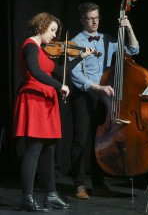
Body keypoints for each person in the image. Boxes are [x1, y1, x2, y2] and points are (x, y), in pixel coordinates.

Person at [14, 12, 95, 212]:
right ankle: (27, 198)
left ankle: (50, 195)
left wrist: (80, 57)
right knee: (34, 148)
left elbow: (61, 72)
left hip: (46, 101)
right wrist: (60, 86)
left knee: (49, 149)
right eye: (51, 30)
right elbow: (35, 71)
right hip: (34, 98)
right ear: (40, 26)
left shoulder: (43, 50)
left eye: (55, 32)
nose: (54, 35)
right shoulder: (30, 46)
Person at [69, 2, 139, 199]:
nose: (94, 22)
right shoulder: (75, 43)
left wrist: (129, 27)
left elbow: (133, 50)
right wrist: (98, 87)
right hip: (85, 95)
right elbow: (74, 75)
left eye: (97, 17)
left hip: (104, 97)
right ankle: (79, 184)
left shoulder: (107, 40)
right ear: (82, 20)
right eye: (90, 18)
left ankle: (98, 183)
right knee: (80, 141)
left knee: (100, 140)